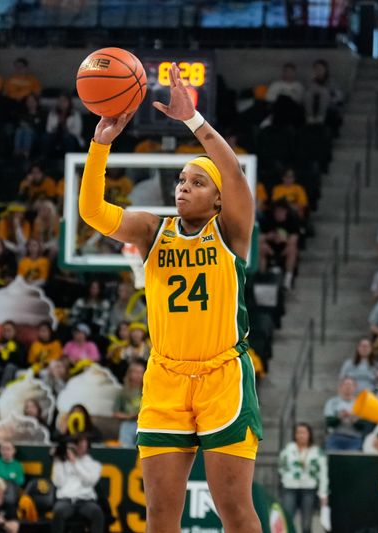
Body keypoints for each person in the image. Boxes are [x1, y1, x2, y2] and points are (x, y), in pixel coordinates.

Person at [78, 62, 262, 532]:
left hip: (223, 375)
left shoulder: (232, 232)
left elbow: (234, 173)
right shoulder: (150, 230)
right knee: (160, 513)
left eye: (197, 182)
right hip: (165, 377)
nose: (184, 186)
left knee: (234, 511)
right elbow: (93, 212)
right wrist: (101, 144)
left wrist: (192, 121)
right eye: (181, 180)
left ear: (218, 199)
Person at [277, 423, 328, 533]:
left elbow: (323, 474)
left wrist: (323, 494)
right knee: (287, 520)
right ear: (295, 435)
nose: (301, 435)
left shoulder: (317, 452)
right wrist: (286, 479)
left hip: (308, 489)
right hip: (290, 487)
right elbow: (281, 467)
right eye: (298, 432)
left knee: (306, 524)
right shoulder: (288, 450)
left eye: (304, 432)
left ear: (309, 434)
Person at [51, 435, 104, 533]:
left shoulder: (94, 464)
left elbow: (89, 481)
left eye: (82, 443)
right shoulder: (62, 462)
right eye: (76, 443)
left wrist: (75, 463)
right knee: (58, 511)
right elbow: (58, 483)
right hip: (65, 501)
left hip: (86, 501)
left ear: (87, 446)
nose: (78, 446)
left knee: (97, 512)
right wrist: (57, 461)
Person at [323, 377, 367, 451]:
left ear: (355, 388)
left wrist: (354, 420)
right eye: (345, 385)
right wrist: (339, 418)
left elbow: (364, 426)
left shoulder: (361, 404)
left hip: (354, 439)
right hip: (336, 437)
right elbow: (328, 422)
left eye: (350, 385)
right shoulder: (332, 402)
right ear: (340, 387)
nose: (348, 387)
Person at [113, 358, 145, 447]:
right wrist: (130, 416)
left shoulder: (147, 391)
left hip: (145, 423)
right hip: (128, 423)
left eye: (140, 372)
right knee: (126, 426)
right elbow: (115, 413)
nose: (138, 375)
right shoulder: (122, 392)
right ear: (130, 373)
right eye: (136, 372)